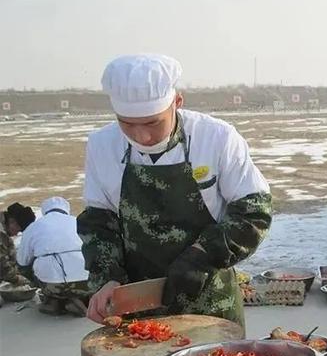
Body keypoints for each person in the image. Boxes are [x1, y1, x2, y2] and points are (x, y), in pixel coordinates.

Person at [78, 54, 272, 329]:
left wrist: (202, 254)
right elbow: (99, 223)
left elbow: (254, 212)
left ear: (177, 103)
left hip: (211, 302)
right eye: (127, 123)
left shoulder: (216, 138)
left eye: (152, 123)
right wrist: (107, 277)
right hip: (137, 304)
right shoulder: (102, 145)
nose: (141, 136)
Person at [17, 197, 90, 316]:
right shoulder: (77, 221)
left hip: (53, 285)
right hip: (87, 282)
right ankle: (80, 300)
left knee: (29, 265)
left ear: (44, 211)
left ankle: (54, 301)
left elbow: (22, 262)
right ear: (67, 210)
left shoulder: (34, 226)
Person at [0, 203, 35, 287]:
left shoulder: (5, 234)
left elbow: (11, 256)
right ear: (12, 221)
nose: (17, 233)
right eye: (19, 228)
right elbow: (1, 264)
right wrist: (16, 279)